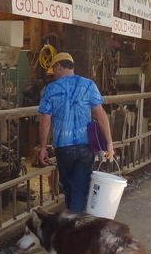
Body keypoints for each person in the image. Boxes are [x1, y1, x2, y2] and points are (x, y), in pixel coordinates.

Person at [37, 52, 115, 212]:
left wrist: (43, 147)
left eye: (54, 70)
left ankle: (73, 220)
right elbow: (101, 115)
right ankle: (75, 218)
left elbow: (46, 122)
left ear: (59, 67)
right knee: (80, 188)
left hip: (63, 147)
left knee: (69, 187)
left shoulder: (50, 89)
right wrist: (109, 143)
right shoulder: (88, 85)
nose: (54, 74)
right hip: (84, 146)